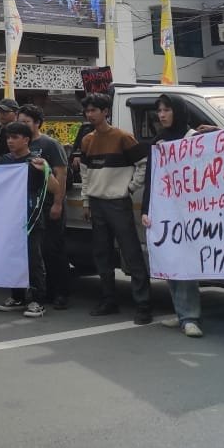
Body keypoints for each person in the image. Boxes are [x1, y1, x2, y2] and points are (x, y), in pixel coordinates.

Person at [140, 93, 210, 337]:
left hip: (190, 211)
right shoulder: (159, 141)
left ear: (178, 112)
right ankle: (182, 314)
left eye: (167, 110)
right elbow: (152, 179)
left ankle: (190, 316)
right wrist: (146, 209)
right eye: (159, 110)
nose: (162, 115)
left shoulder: (193, 138)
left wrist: (209, 132)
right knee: (170, 260)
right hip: (166, 211)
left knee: (185, 264)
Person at [78, 92, 152, 324]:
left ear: (105, 112)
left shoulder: (123, 137)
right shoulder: (87, 140)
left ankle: (143, 305)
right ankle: (109, 299)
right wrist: (87, 201)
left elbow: (143, 164)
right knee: (102, 254)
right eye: (87, 111)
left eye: (94, 110)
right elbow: (85, 173)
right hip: (97, 202)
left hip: (118, 202)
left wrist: (129, 188)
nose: (90, 115)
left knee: (131, 253)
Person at [0, 122, 58, 318]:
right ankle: (17, 297)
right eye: (8, 138)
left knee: (32, 258)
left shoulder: (36, 161)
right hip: (9, 217)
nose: (10, 141)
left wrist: (45, 169)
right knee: (13, 257)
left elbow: (54, 188)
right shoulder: (4, 161)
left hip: (31, 216)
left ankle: (38, 300)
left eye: (14, 137)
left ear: (26, 140)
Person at [18, 104, 71, 310]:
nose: (22, 126)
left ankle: (62, 292)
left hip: (50, 204)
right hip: (31, 207)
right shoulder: (20, 144)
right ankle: (43, 290)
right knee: (36, 251)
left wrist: (58, 203)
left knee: (53, 249)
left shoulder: (50, 144)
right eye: (19, 122)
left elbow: (61, 175)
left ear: (37, 123)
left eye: (26, 122)